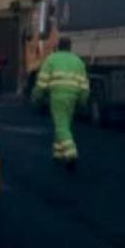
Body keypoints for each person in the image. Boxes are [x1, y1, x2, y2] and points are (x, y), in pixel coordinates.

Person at [32, 37, 89, 169]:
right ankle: (58, 153)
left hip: (58, 96)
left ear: (58, 46)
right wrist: (83, 100)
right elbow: (84, 84)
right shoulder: (78, 61)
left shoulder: (51, 59)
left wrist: (37, 96)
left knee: (61, 125)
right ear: (70, 47)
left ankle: (71, 153)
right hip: (73, 97)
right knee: (64, 124)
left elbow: (42, 81)